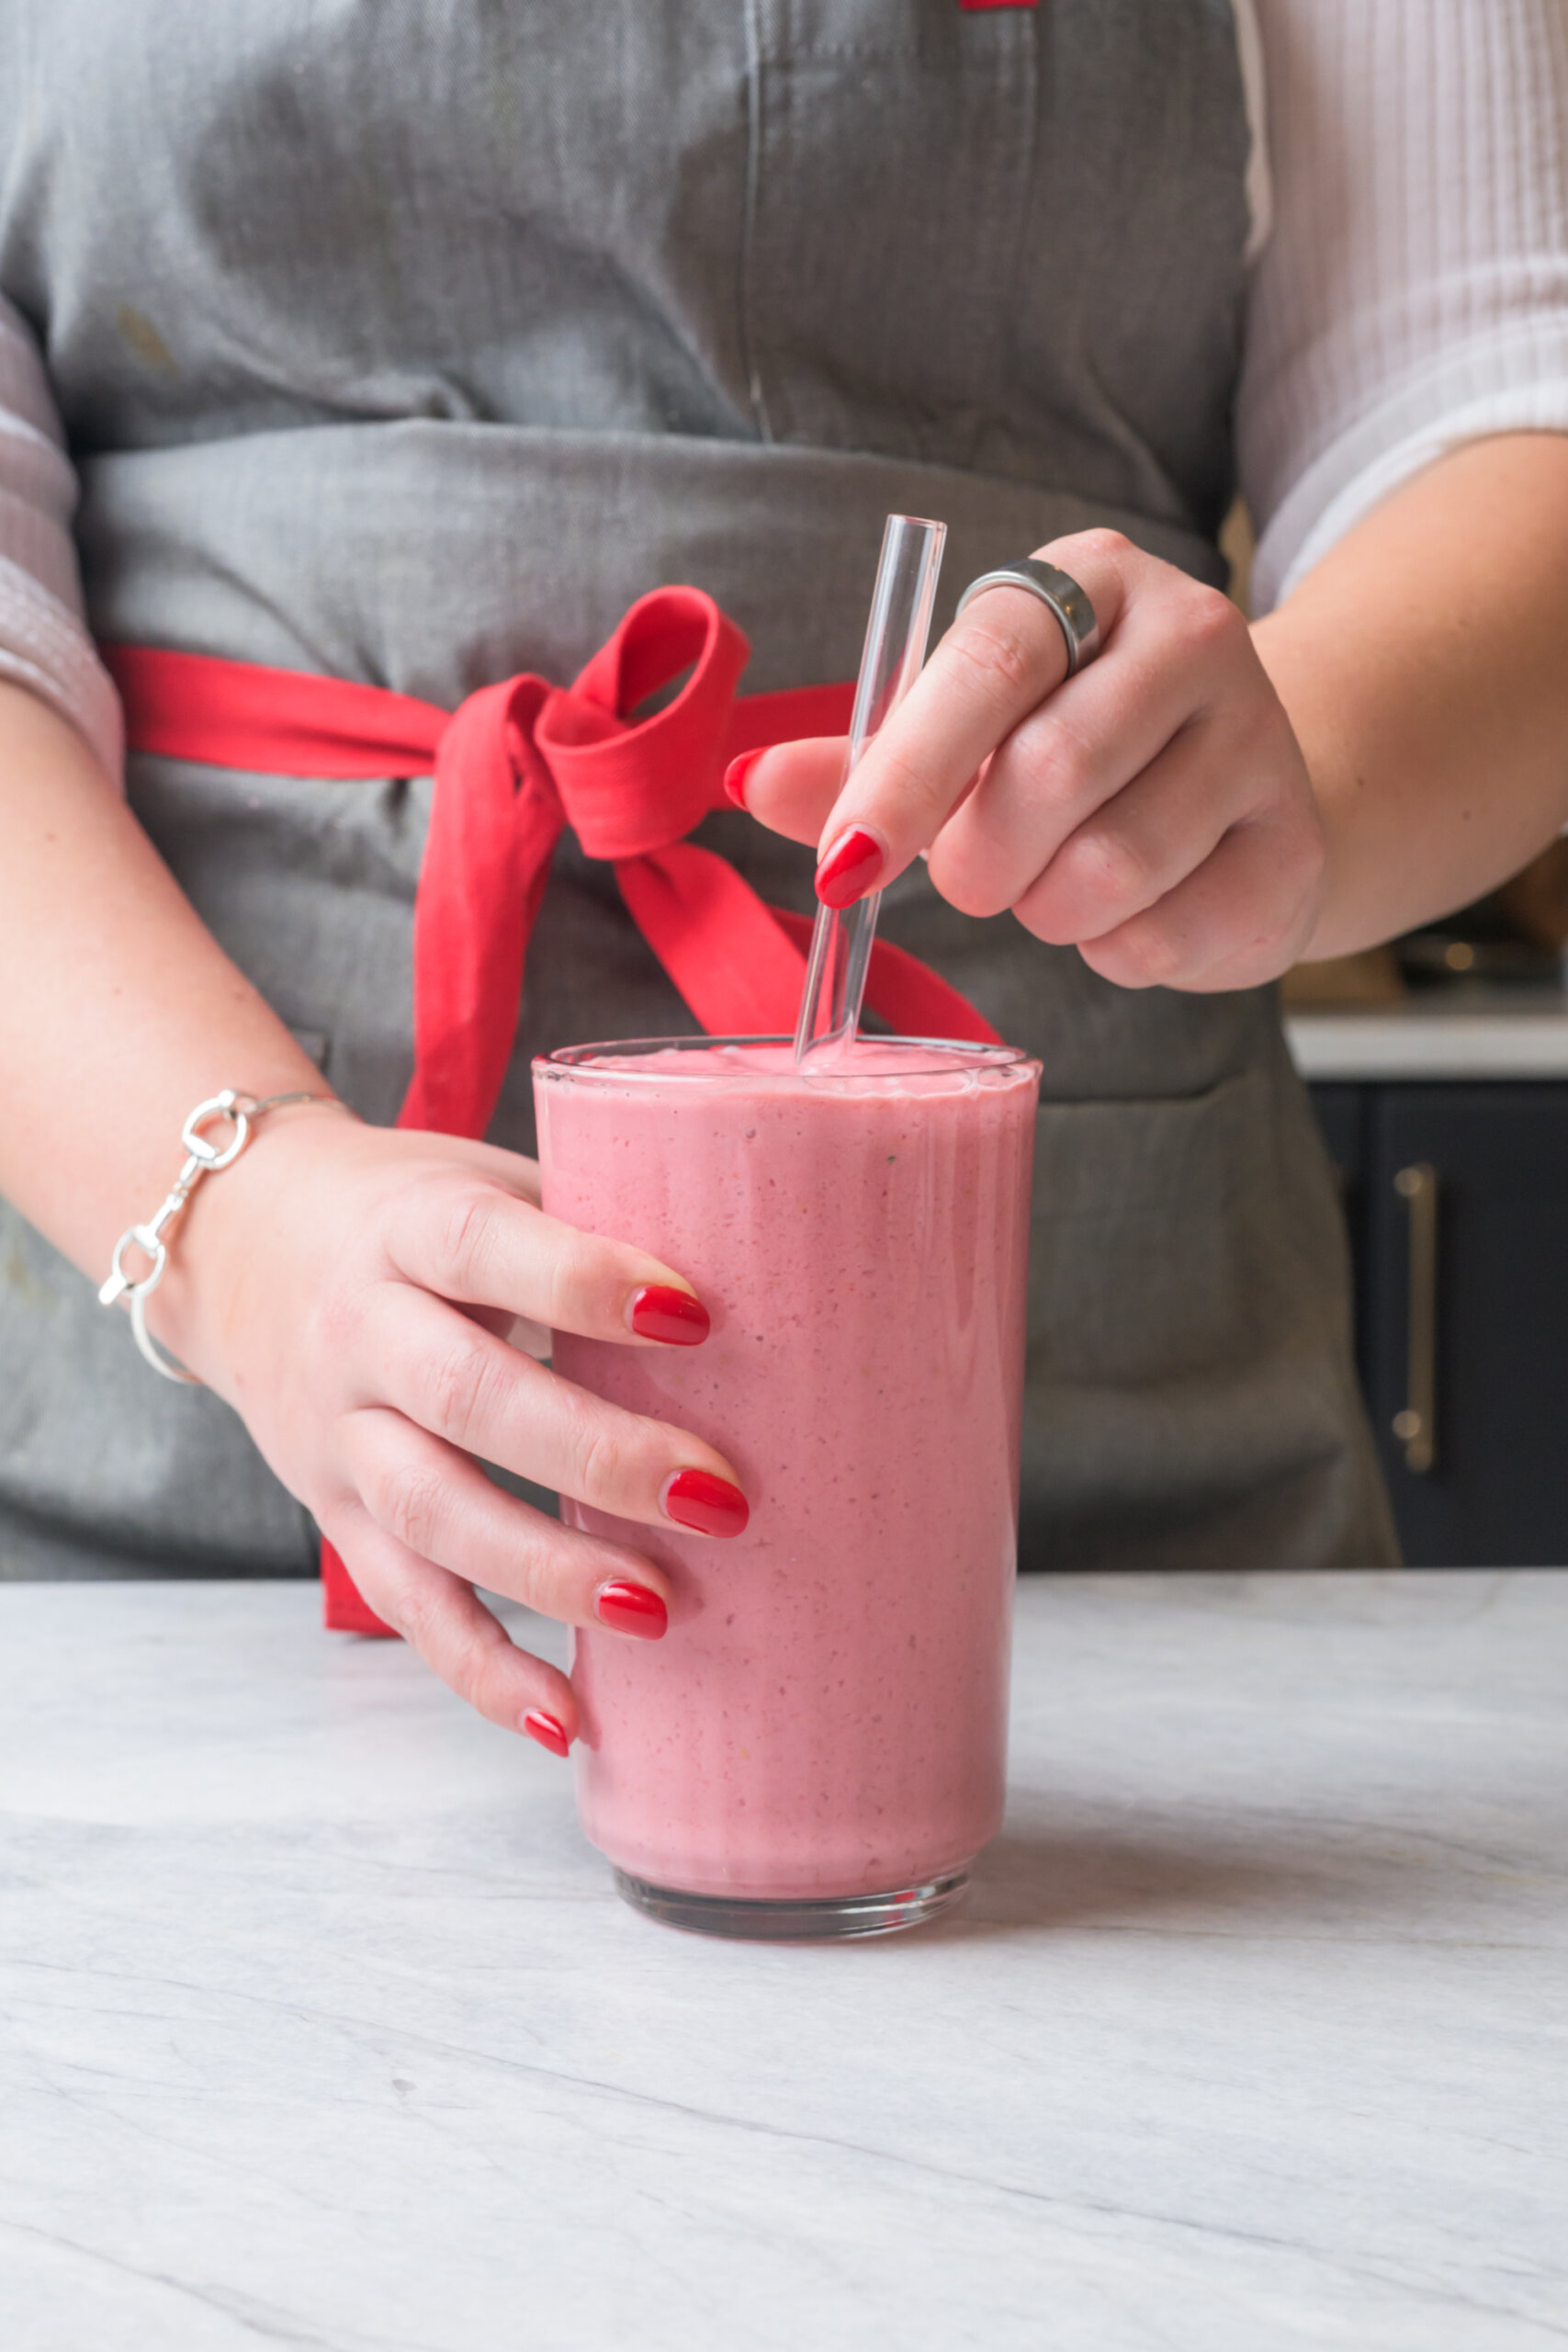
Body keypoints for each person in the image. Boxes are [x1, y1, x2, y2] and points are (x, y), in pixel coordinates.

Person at [2, 1, 1567, 1750]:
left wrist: (1296, 771)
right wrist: (243, 1230)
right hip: (135, 1557)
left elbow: (1504, 406)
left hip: (1112, 1569)